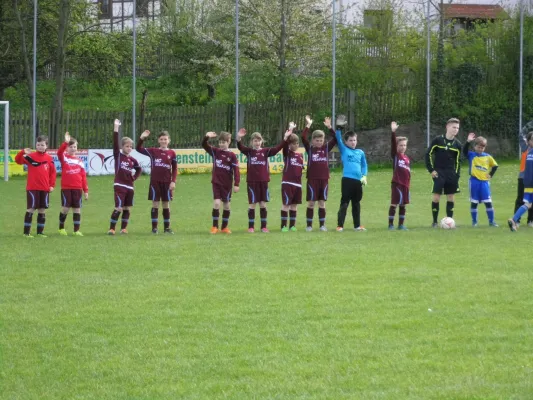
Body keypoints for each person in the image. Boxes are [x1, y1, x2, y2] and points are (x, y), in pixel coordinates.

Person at [236, 128, 286, 233]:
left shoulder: (265, 151)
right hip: (252, 182)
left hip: (263, 182)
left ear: (261, 141)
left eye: (259, 140)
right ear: (251, 142)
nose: (257, 142)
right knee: (252, 204)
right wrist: (239, 138)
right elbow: (240, 147)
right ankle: (251, 227)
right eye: (255, 140)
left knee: (263, 204)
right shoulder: (249, 152)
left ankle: (264, 226)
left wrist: (285, 138)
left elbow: (277, 149)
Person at [136, 130, 178, 234]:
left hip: (167, 183)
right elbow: (138, 149)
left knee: (165, 204)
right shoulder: (153, 151)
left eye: (165, 139)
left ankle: (167, 228)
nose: (163, 141)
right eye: (161, 139)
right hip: (155, 182)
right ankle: (154, 228)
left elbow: (175, 169)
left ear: (169, 140)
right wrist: (142, 138)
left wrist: (173, 181)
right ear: (158, 141)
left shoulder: (172, 153)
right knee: (155, 204)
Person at [15, 135, 57, 238]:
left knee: (42, 209)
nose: (40, 147)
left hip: (44, 188)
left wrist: (51, 185)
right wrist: (22, 152)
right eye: (38, 145)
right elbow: (18, 160)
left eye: (42, 145)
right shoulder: (31, 156)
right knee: (31, 209)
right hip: (32, 188)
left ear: (46, 146)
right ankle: (26, 233)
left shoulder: (49, 158)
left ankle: (40, 232)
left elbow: (53, 173)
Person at [301, 115, 337, 231]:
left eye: (321, 140)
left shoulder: (326, 148)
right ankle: (309, 226)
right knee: (311, 203)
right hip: (312, 179)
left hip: (324, 179)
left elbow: (336, 138)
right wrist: (308, 125)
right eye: (317, 140)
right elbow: (303, 137)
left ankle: (322, 225)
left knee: (322, 203)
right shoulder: (310, 149)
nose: (319, 142)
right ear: (313, 140)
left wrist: (330, 127)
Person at [425, 117, 462, 227]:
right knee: (436, 197)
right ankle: (435, 222)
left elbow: (458, 162)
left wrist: (457, 175)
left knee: (450, 197)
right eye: (453, 127)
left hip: (451, 173)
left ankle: (450, 221)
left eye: (457, 128)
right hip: (439, 172)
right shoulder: (438, 140)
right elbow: (428, 154)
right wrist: (431, 170)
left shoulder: (457, 145)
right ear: (447, 127)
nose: (455, 129)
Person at [202, 130, 240, 234]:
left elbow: (236, 170)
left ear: (229, 142)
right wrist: (207, 137)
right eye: (220, 142)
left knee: (227, 205)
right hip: (216, 183)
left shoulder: (232, 156)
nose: (221, 144)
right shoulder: (215, 152)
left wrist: (236, 184)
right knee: (217, 203)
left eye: (224, 142)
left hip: (227, 185)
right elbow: (204, 145)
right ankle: (214, 226)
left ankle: (224, 227)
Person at [108, 119, 142, 235]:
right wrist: (116, 128)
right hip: (119, 185)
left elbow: (139, 169)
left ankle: (123, 228)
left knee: (127, 208)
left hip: (130, 187)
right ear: (122, 147)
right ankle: (112, 228)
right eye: (127, 146)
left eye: (131, 147)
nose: (129, 148)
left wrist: (134, 177)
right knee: (119, 208)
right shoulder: (118, 155)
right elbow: (115, 142)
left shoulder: (133, 160)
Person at [333, 118, 368, 232]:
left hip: (358, 181)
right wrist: (338, 128)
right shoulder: (344, 150)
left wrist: (364, 175)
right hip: (347, 180)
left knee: (356, 203)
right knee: (344, 203)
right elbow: (338, 138)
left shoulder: (360, 152)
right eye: (351, 140)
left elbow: (364, 165)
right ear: (346, 142)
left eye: (355, 140)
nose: (353, 142)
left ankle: (357, 225)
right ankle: (340, 225)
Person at [463, 133, 499, 227]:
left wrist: (490, 174)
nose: (480, 149)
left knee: (488, 202)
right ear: (475, 146)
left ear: (485, 148)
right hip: (474, 182)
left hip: (484, 183)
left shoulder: (487, 157)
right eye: (479, 147)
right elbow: (464, 151)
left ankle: (491, 222)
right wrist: (468, 141)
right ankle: (474, 222)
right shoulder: (471, 155)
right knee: (474, 203)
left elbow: (495, 166)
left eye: (482, 148)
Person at [57, 132, 89, 236]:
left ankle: (76, 230)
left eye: (75, 146)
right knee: (65, 208)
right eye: (70, 146)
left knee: (77, 209)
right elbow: (59, 153)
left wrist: (86, 190)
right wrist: (65, 142)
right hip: (66, 188)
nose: (73, 148)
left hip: (78, 189)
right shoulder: (64, 158)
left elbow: (83, 177)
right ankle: (61, 228)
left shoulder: (80, 161)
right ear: (67, 148)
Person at [280, 122, 303, 232]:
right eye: (293, 143)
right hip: (287, 183)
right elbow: (284, 146)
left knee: (294, 206)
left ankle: (292, 225)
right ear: (289, 145)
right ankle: (284, 226)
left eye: (297, 143)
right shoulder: (287, 154)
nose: (295, 145)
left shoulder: (300, 156)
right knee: (286, 205)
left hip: (297, 184)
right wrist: (290, 130)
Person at [388, 121, 411, 230]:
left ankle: (401, 224)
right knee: (394, 203)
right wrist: (393, 132)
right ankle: (391, 224)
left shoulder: (406, 158)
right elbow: (393, 143)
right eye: (401, 145)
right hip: (397, 183)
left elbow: (408, 173)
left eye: (404, 145)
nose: (403, 147)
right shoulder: (396, 155)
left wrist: (408, 185)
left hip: (405, 185)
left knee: (403, 205)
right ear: (397, 146)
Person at [508, 132, 533, 232]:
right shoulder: (528, 151)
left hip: (528, 183)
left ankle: (514, 220)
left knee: (528, 204)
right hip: (530, 182)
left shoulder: (529, 153)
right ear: (529, 141)